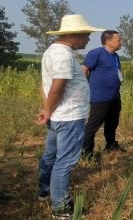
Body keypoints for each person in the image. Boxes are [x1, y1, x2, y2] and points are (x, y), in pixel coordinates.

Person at [37, 14, 104, 219]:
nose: (88, 39)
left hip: (59, 115)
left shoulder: (53, 51)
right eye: (86, 35)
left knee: (51, 155)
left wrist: (47, 108)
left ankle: (44, 191)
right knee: (64, 162)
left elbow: (43, 83)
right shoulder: (64, 54)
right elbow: (56, 86)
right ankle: (61, 209)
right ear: (74, 34)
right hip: (68, 117)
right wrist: (48, 109)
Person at [81, 30, 124, 157]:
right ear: (109, 41)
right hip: (100, 97)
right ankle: (86, 153)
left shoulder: (116, 56)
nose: (121, 42)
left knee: (112, 123)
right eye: (119, 39)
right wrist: (85, 87)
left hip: (114, 96)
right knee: (92, 126)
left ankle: (111, 145)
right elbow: (84, 69)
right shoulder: (96, 53)